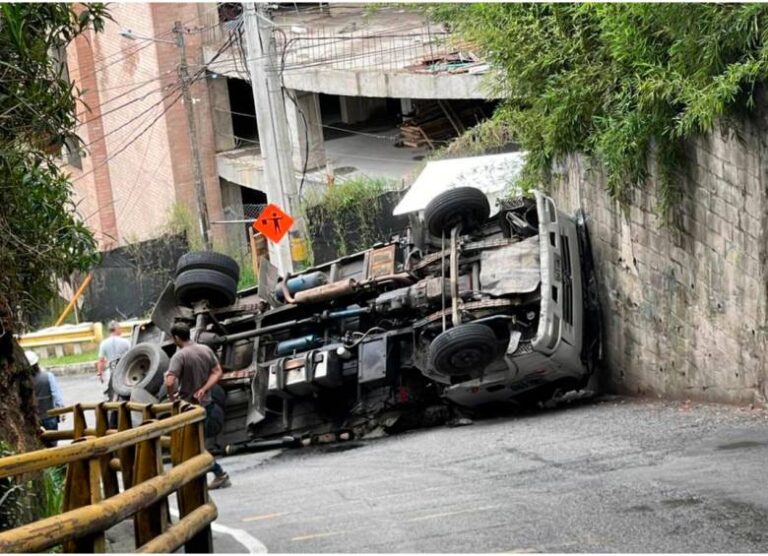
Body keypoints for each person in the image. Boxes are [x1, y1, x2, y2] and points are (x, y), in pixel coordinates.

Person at [164, 322, 231, 490]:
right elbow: (217, 372)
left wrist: (172, 398)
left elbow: (170, 381)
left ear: (177, 338)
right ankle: (201, 477)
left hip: (188, 408)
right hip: (206, 405)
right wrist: (204, 389)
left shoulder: (180, 356)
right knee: (195, 445)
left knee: (193, 446)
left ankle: (219, 474)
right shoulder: (205, 350)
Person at [26, 350, 65, 447]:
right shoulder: (48, 376)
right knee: (53, 443)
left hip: (33, 418)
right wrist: (61, 410)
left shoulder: (24, 381)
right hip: (50, 415)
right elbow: (56, 395)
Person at [97, 320, 130, 400]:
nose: (121, 330)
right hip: (124, 371)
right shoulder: (126, 342)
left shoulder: (103, 343)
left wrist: (100, 374)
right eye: (120, 328)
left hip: (111, 372)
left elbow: (101, 361)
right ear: (117, 329)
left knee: (110, 395)